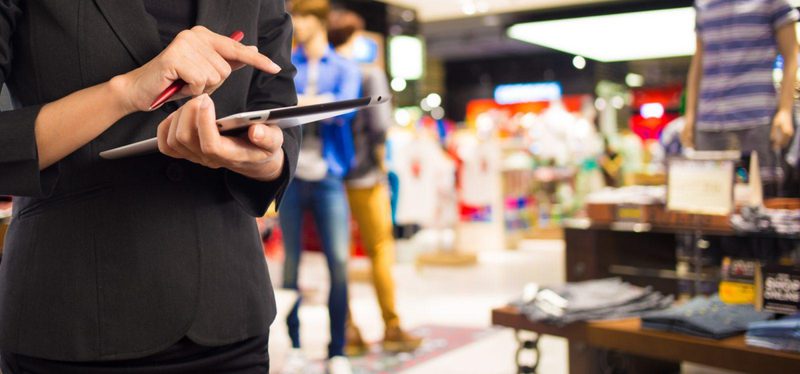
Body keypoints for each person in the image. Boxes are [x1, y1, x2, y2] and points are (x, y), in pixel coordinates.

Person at [0, 0, 299, 372]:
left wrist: (263, 158)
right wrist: (125, 92)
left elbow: (278, 113)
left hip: (229, 318)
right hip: (71, 322)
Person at [327, 8, 423, 356]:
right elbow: (380, 127)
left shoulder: (325, 73)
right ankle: (392, 327)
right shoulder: (369, 73)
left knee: (338, 258)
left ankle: (348, 331)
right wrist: (383, 165)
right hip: (366, 174)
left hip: (333, 175)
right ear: (354, 37)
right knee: (380, 250)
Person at [278, 0, 360, 372]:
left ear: (319, 21)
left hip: (328, 175)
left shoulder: (343, 66)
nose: (296, 23)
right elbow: (279, 106)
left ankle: (337, 349)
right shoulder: (287, 63)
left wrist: (307, 103)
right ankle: (294, 345)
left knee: (338, 264)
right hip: (291, 177)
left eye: (302, 17)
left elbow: (345, 107)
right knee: (291, 264)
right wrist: (316, 104)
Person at [682, 0, 799, 195]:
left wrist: (785, 110)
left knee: (763, 198)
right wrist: (690, 115)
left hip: (757, 116)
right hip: (709, 121)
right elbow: (698, 63)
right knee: (708, 198)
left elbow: (792, 53)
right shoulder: (704, 4)